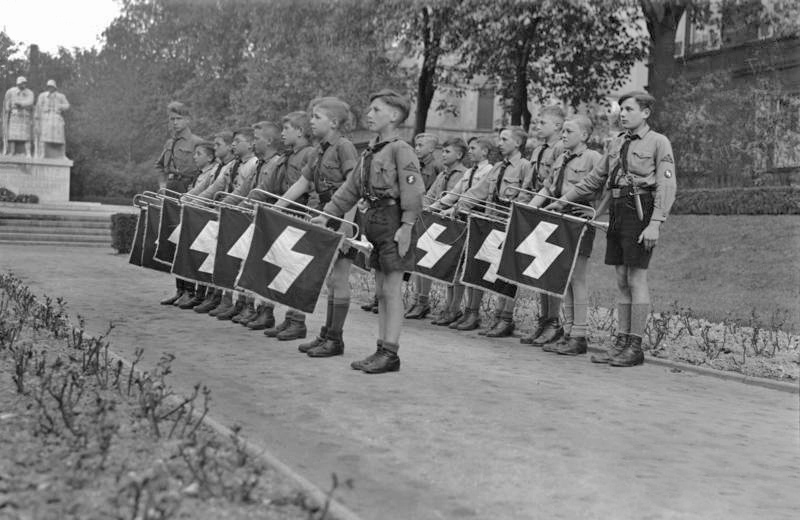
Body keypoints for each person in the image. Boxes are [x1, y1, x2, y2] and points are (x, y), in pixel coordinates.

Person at [545, 91, 677, 367]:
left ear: (645, 113)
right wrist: (563, 201)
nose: (623, 114)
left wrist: (655, 224)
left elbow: (667, 185)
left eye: (629, 109)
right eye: (621, 109)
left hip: (641, 209)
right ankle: (621, 341)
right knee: (620, 278)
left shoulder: (658, 142)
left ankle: (635, 346)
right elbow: (595, 179)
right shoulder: (617, 143)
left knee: (636, 278)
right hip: (618, 211)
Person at [312, 89, 424, 374]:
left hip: (395, 221)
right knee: (381, 290)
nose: (369, 114)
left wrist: (407, 227)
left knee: (391, 290)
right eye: (370, 110)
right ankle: (381, 349)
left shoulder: (401, 149)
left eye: (376, 110)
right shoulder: (371, 151)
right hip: (376, 221)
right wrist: (327, 217)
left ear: (395, 116)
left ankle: (391, 352)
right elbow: (349, 190)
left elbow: (413, 191)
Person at [277, 97, 360, 357]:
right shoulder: (317, 151)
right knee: (329, 278)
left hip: (343, 214)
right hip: (325, 212)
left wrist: (347, 226)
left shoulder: (345, 147)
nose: (310, 121)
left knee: (339, 278)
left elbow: (353, 188)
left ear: (333, 123)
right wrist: (277, 206)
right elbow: (301, 183)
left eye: (316, 117)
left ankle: (335, 339)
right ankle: (326, 333)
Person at [442, 127, 533, 338]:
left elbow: (527, 195)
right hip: (492, 224)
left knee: (508, 273)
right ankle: (485, 315)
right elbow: (478, 191)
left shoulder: (525, 166)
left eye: (504, 139)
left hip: (510, 225)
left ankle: (506, 317)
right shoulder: (498, 167)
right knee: (487, 268)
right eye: (499, 139)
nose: (499, 143)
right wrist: (457, 206)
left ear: (518, 143)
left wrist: (517, 218)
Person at [529, 115, 602, 355]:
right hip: (558, 220)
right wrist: (531, 206)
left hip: (579, 221)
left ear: (584, 135)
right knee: (565, 278)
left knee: (577, 278)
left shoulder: (594, 158)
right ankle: (569, 332)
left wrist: (595, 214)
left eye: (569, 131)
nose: (564, 135)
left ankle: (579, 334)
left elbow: (603, 189)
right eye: (564, 131)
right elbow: (548, 187)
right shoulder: (561, 158)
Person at [252, 112, 316, 339]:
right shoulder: (287, 156)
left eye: (287, 128)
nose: (282, 133)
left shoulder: (309, 154)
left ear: (300, 131)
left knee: (296, 270)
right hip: (284, 214)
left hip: (298, 215)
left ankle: (298, 321)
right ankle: (289, 317)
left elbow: (311, 187)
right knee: (283, 268)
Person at [430, 136, 494, 331]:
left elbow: (475, 197)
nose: (470, 151)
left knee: (473, 269)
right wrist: (434, 208)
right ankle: (452, 308)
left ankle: (471, 311)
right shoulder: (469, 173)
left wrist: (454, 207)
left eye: (474, 148)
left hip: (477, 223)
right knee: (455, 265)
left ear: (485, 152)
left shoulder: (488, 171)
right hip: (461, 221)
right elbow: (455, 194)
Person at [521, 105, 566, 347]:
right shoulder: (538, 150)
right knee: (539, 268)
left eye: (542, 123)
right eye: (536, 122)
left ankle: (553, 322)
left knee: (552, 269)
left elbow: (554, 183)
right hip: (536, 211)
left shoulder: (560, 147)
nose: (537, 126)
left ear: (557, 126)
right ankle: (544, 320)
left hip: (552, 211)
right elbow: (531, 183)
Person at [156, 102, 203, 306]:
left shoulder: (197, 142)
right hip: (172, 191)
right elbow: (160, 166)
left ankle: (191, 290)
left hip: (189, 189)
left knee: (186, 238)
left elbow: (205, 169)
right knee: (174, 239)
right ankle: (180, 289)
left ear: (188, 120)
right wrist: (162, 185)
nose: (174, 123)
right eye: (171, 119)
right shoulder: (168, 143)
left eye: (178, 119)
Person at [213, 127, 260, 321]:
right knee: (229, 257)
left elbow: (251, 192)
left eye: (237, 140)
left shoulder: (253, 164)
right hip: (235, 214)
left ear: (250, 144)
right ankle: (228, 299)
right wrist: (220, 205)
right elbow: (233, 190)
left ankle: (246, 304)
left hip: (246, 216)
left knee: (245, 261)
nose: (233, 144)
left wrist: (237, 208)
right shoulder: (235, 165)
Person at [193, 131, 237, 315]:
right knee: (211, 255)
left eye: (218, 144)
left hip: (231, 213)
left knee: (228, 258)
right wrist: (190, 200)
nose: (215, 147)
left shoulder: (242, 164)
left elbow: (241, 190)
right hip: (218, 211)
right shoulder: (221, 167)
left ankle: (225, 299)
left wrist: (221, 205)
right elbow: (212, 187)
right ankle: (209, 293)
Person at [425, 137, 468, 326]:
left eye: (447, 151)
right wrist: (424, 210)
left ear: (459, 155)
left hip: (457, 225)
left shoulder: (463, 175)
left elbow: (459, 199)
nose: (443, 154)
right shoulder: (443, 174)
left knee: (457, 268)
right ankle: (448, 306)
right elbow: (431, 196)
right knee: (447, 267)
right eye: (442, 151)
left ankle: (454, 308)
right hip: (441, 223)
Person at [174, 140, 219, 310]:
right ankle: (183, 290)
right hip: (194, 213)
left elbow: (212, 189)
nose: (195, 157)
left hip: (204, 215)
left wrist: (192, 202)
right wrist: (186, 199)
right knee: (184, 250)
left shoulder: (213, 171)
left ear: (209, 157)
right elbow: (199, 189)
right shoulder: (199, 173)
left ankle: (196, 293)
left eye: (199, 154)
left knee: (199, 254)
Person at [404, 132, 443, 319]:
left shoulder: (437, 167)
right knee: (416, 258)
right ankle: (417, 299)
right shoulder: (415, 165)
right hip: (416, 213)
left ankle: (423, 301)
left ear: (432, 149)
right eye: (416, 145)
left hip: (429, 216)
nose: (416, 148)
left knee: (424, 259)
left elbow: (438, 191)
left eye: (421, 145)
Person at [35, 79, 70, 158]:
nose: (50, 88)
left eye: (51, 86)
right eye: (48, 86)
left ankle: (62, 155)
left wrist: (60, 106)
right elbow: (38, 107)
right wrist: (37, 118)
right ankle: (43, 153)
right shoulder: (42, 95)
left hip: (56, 118)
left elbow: (67, 105)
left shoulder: (61, 96)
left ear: (55, 87)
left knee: (60, 137)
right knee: (44, 136)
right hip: (46, 118)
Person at [2, 76, 35, 157]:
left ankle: (28, 153)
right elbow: (6, 102)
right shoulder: (10, 91)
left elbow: (30, 101)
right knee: (12, 135)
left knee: (26, 136)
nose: (24, 85)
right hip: (14, 115)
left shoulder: (29, 92)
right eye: (22, 83)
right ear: (18, 84)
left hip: (24, 115)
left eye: (25, 83)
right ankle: (11, 152)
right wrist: (7, 107)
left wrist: (21, 103)